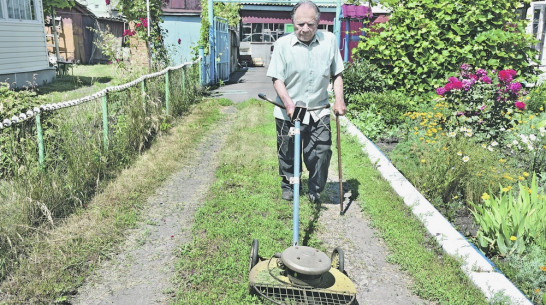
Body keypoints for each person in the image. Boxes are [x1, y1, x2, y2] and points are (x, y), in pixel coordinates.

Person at [266, 0, 346, 203]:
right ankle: (290, 186)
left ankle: (315, 188)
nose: (305, 29)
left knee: (321, 150)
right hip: (288, 110)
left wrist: (339, 100)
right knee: (287, 151)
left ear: (318, 23)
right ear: (293, 23)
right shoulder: (283, 45)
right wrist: (289, 104)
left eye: (310, 24)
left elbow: (337, 74)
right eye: (300, 24)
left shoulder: (329, 41)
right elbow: (277, 78)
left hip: (318, 109)